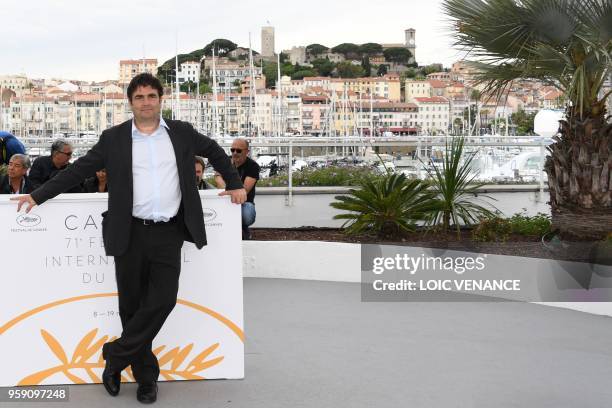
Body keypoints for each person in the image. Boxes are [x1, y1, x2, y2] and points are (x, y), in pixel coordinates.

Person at [11, 73, 246, 404]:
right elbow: (78, 171)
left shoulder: (181, 134)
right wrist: (38, 196)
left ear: (161, 99)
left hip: (168, 231)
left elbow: (218, 153)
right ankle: (146, 377)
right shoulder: (114, 139)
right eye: (140, 97)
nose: (146, 102)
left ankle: (115, 355)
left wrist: (235, 183)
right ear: (131, 102)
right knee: (131, 308)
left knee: (163, 300)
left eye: (152, 96)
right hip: (129, 231)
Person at [214, 138, 260, 240]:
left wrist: (225, 189)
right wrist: (229, 190)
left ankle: (243, 227)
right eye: (232, 150)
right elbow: (217, 177)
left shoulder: (253, 166)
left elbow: (244, 191)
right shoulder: (226, 162)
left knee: (247, 214)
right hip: (225, 201)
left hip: (244, 203)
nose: (235, 153)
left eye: (238, 150)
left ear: (247, 152)